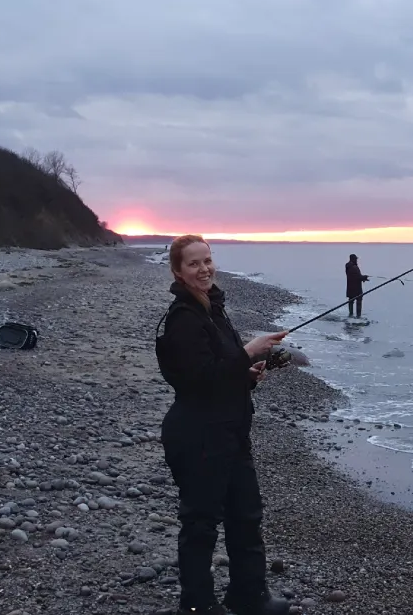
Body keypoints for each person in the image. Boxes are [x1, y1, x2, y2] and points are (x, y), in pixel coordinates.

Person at [154, 234, 291, 615]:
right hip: (198, 436)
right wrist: (248, 351)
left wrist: (247, 374)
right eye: (194, 263)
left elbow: (221, 371)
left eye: (207, 260)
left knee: (245, 515)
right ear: (178, 272)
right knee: (200, 524)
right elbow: (198, 380)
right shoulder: (183, 319)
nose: (204, 269)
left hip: (231, 432)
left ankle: (249, 595)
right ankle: (197, 604)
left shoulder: (213, 310)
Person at [345, 253, 369, 318]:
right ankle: (358, 316)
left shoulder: (348, 267)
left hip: (350, 288)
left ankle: (351, 314)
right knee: (359, 301)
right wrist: (364, 277)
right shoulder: (354, 267)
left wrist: (363, 278)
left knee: (351, 301)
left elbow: (355, 277)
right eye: (356, 259)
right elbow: (358, 277)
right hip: (357, 289)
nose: (356, 260)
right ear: (353, 259)